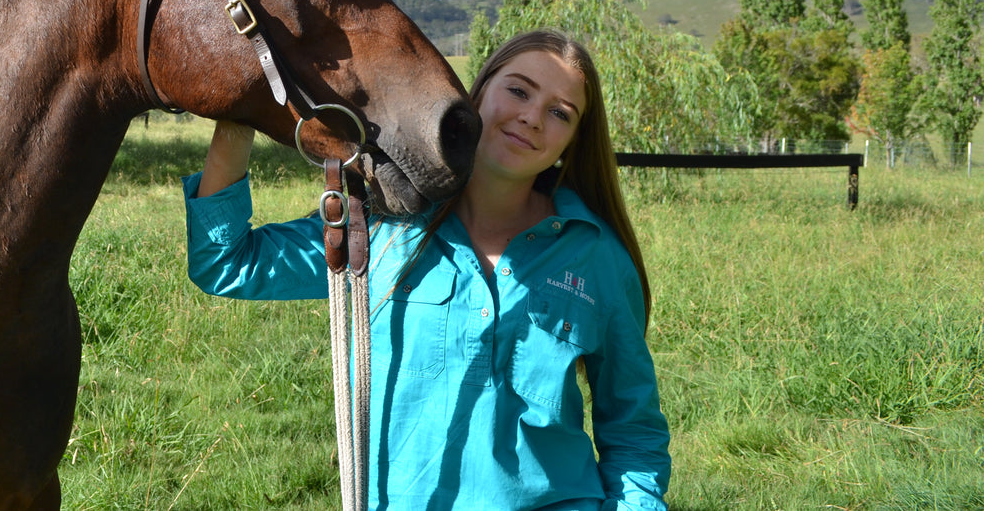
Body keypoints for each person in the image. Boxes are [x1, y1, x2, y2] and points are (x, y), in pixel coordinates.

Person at [183, 29, 671, 510]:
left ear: (571, 140)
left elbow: (633, 431)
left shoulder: (595, 256)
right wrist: (237, 111)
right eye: (519, 90)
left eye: (560, 113)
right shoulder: (381, 229)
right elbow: (229, 262)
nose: (531, 117)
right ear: (476, 94)